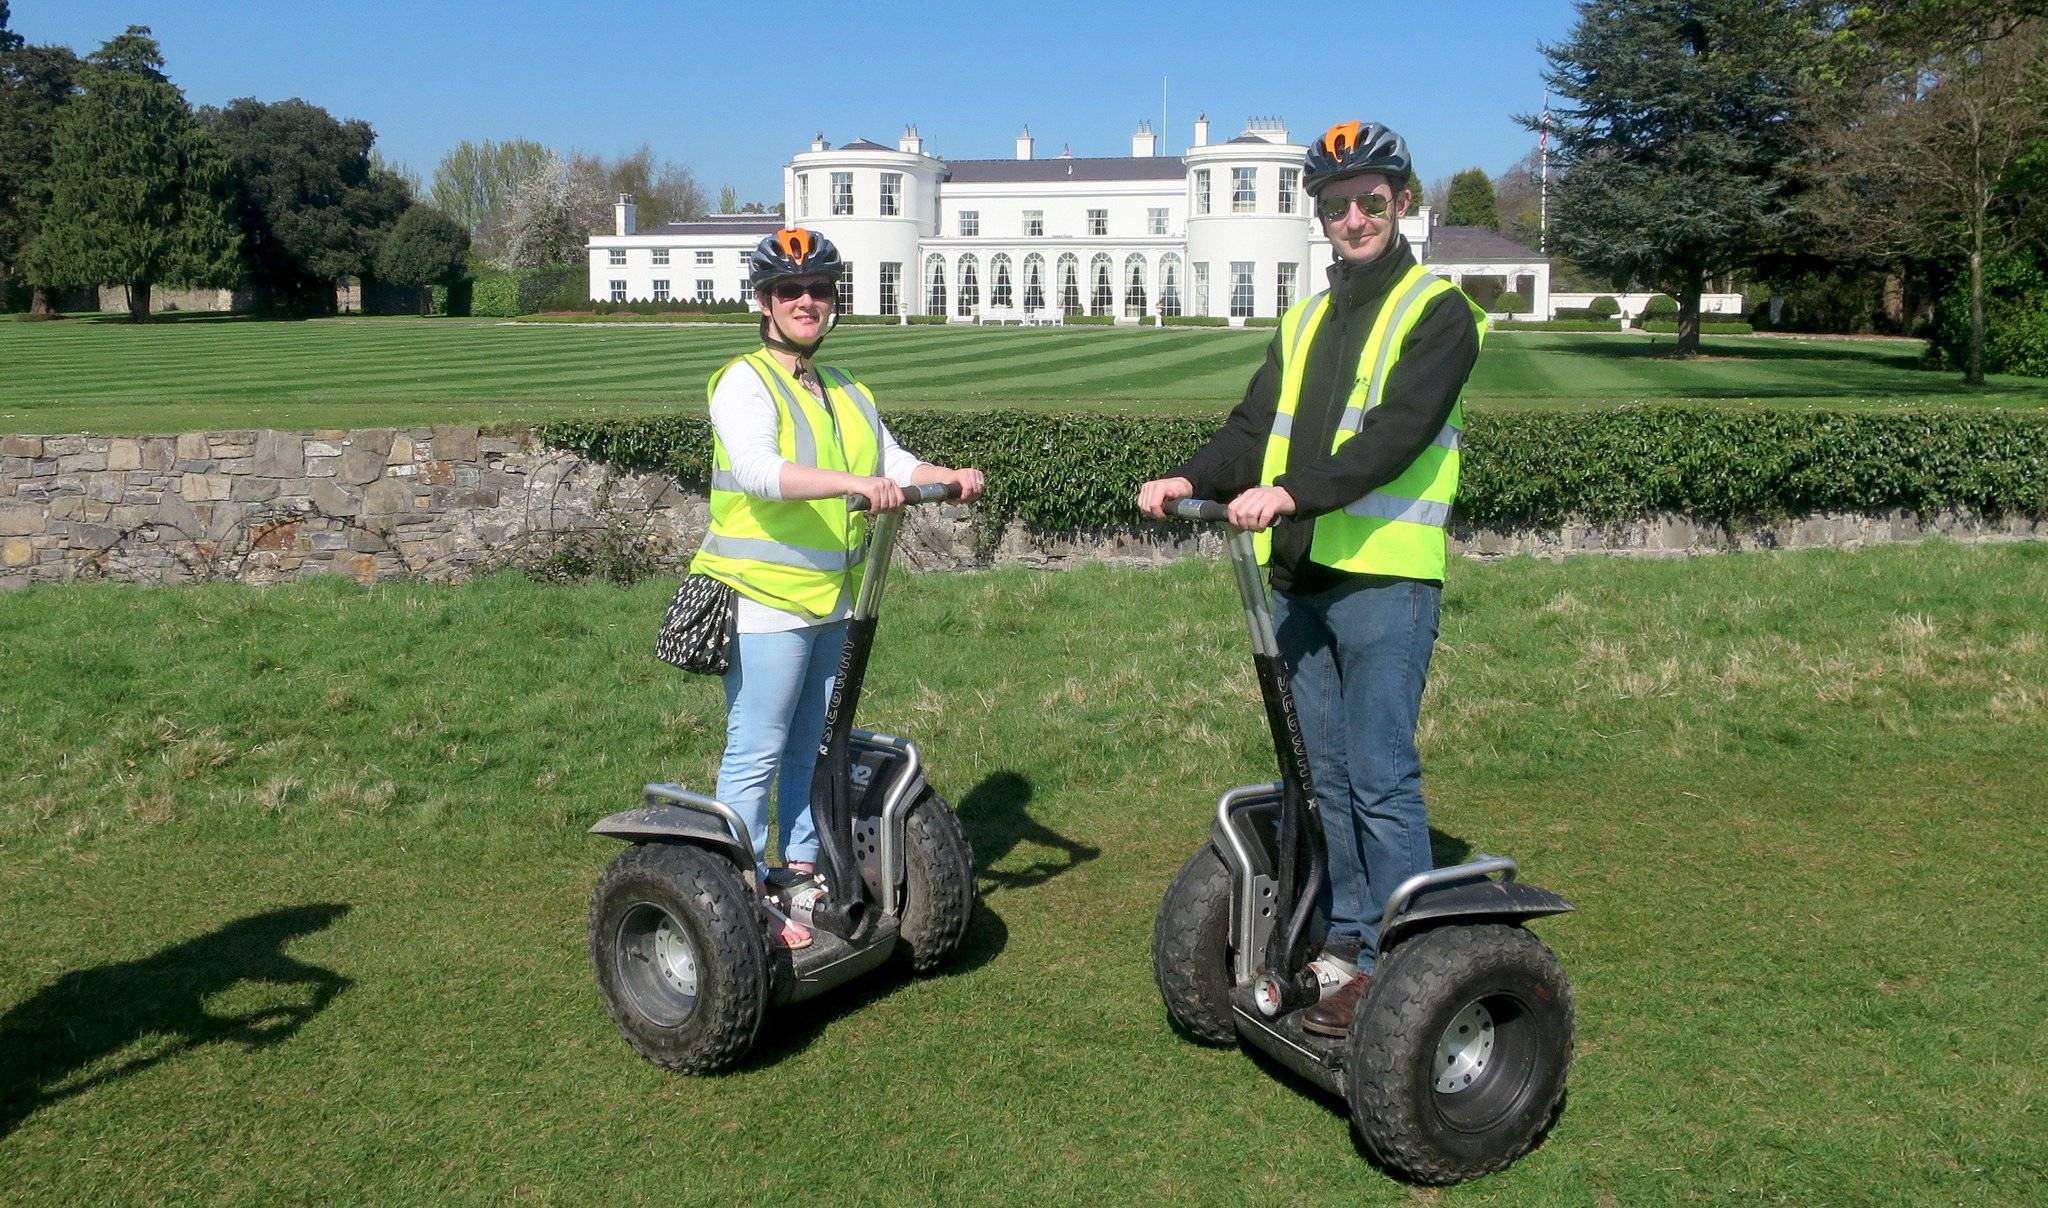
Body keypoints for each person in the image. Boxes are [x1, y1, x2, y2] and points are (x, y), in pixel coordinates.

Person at [1137, 121, 1485, 1036]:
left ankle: (1404, 969)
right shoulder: (1303, 318)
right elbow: (1256, 427)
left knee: (1378, 776)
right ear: (1320, 217)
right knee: (1322, 777)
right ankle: (1348, 936)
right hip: (1300, 583)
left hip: (1384, 581)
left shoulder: (1438, 311)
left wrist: (1289, 493)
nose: (1356, 217)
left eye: (1374, 199)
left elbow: (1392, 440)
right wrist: (1193, 477)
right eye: (1337, 204)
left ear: (1403, 203)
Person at [693, 228, 985, 950]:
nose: (805, 302)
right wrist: (856, 485)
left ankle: (798, 871)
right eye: (789, 291)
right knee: (756, 748)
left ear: (833, 302)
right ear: (763, 303)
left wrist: (943, 479)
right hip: (765, 601)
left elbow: (892, 460)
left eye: (818, 290)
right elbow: (761, 470)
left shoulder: (848, 387)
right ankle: (736, 892)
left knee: (815, 747)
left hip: (835, 599)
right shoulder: (744, 381)